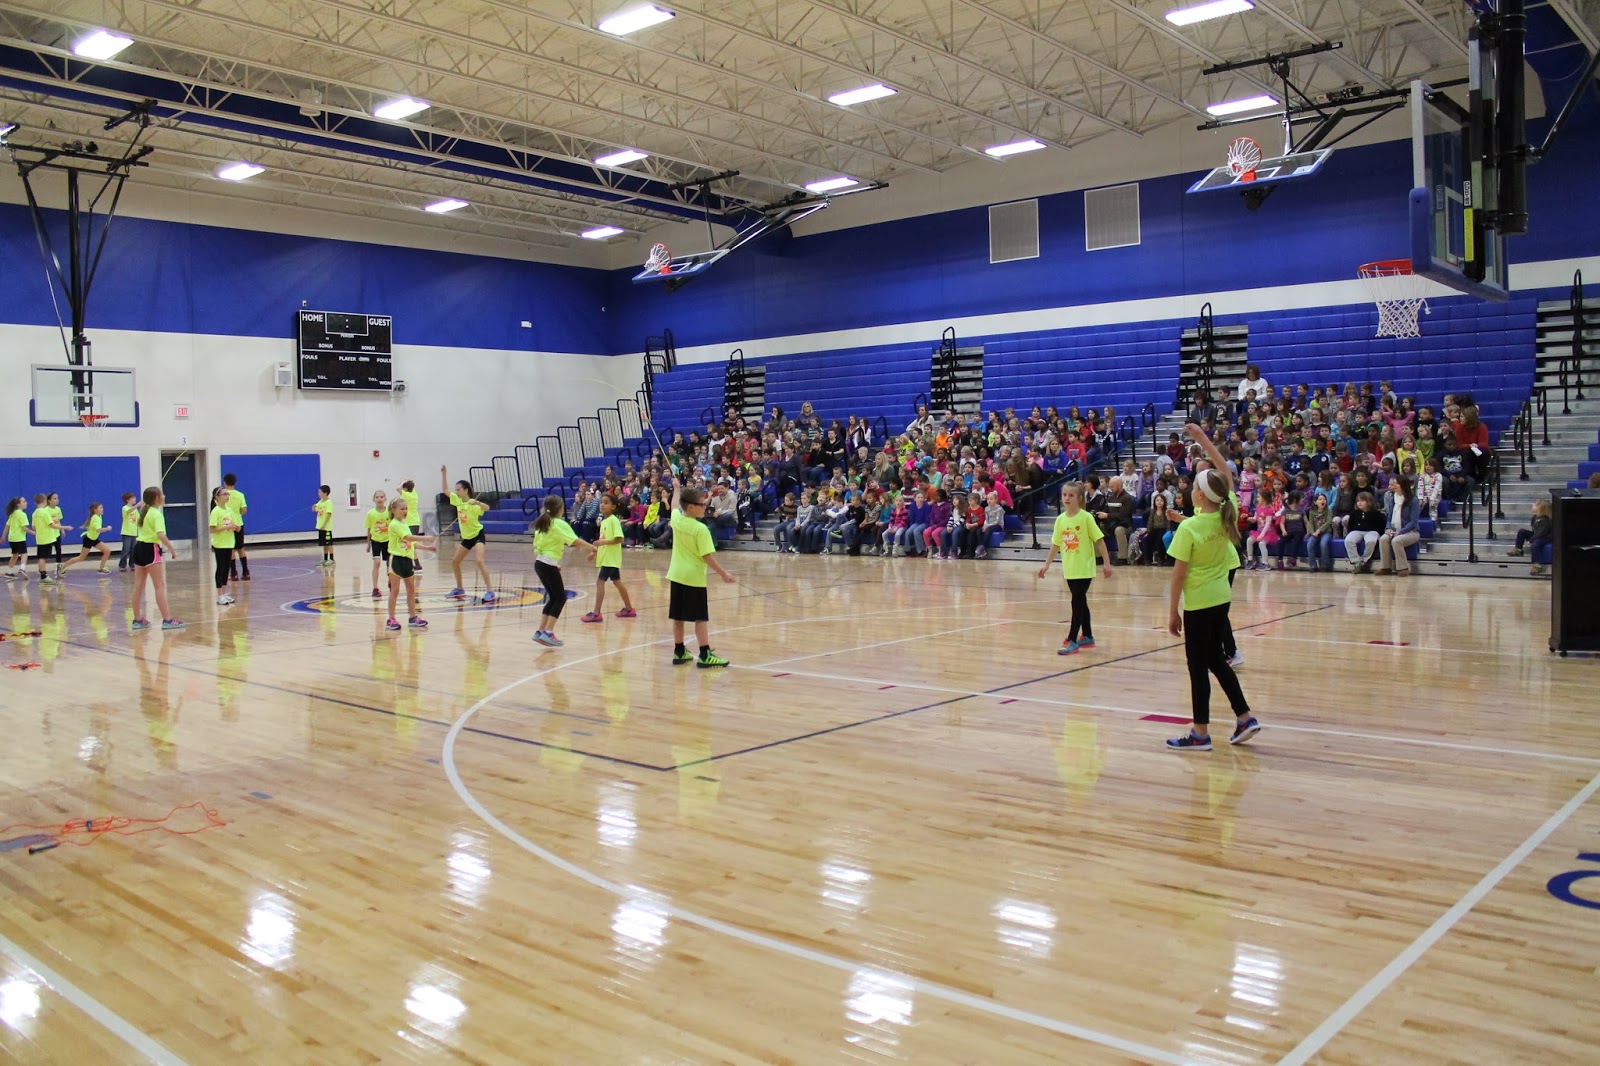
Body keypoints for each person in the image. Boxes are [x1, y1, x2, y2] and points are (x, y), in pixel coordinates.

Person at [1165, 425, 1259, 751]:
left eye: (1194, 485)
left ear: (1200, 495)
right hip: (1221, 597)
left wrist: (1172, 612)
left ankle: (1200, 733)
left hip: (1199, 604)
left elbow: (1178, 576)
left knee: (1198, 667)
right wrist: (1203, 439)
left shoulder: (1191, 527)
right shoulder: (1224, 511)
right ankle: (1244, 716)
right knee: (1217, 660)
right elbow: (1224, 473)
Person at [1036, 482, 1113, 655]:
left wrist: (1107, 563)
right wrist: (1046, 565)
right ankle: (1087, 636)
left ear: (1079, 498)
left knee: (1076, 602)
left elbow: (1099, 541)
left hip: (1084, 568)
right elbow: (1055, 545)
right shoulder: (1060, 520)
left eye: (1071, 495)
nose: (1067, 498)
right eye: (1064, 495)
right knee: (1080, 601)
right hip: (1069, 569)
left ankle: (1072, 639)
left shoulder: (1086, 518)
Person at [667, 481, 735, 667]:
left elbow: (674, 506)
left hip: (676, 575)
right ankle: (705, 655)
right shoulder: (700, 529)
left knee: (678, 616)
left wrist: (677, 489)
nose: (705, 506)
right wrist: (723, 574)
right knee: (700, 618)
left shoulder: (677, 520)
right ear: (690, 507)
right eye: (701, 504)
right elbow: (707, 556)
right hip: (693, 578)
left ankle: (679, 651)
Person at [531, 495, 595, 648]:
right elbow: (574, 541)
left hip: (541, 562)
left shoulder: (543, 523)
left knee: (553, 597)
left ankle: (540, 631)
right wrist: (593, 547)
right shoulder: (559, 523)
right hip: (547, 564)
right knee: (560, 597)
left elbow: (540, 546)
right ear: (560, 509)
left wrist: (553, 563)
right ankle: (548, 632)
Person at [129, 487, 183, 631]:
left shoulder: (144, 512)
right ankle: (167, 620)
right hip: (150, 549)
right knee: (159, 586)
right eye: (161, 494)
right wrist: (171, 549)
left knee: (138, 587)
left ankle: (137, 620)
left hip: (138, 548)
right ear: (157, 498)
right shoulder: (156, 514)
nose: (164, 495)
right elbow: (160, 534)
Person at [442, 467, 495, 603]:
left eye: (459, 489)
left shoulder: (473, 505)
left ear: (466, 490)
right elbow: (445, 491)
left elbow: (487, 508)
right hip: (467, 538)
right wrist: (444, 473)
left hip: (477, 535)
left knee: (479, 561)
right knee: (455, 561)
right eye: (456, 490)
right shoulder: (458, 501)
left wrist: (477, 502)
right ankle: (460, 589)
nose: (456, 492)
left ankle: (490, 591)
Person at [581, 493, 637, 622]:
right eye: (601, 502)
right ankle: (629, 609)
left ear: (613, 506)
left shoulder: (613, 520)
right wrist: (594, 552)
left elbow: (619, 539)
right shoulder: (604, 521)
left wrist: (602, 543)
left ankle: (596, 613)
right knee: (617, 582)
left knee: (600, 582)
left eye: (606, 502)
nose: (602, 505)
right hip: (607, 557)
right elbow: (602, 540)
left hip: (611, 558)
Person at [384, 497, 436, 632]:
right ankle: (391, 619)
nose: (405, 511)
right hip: (396, 561)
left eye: (406, 508)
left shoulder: (404, 524)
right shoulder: (394, 524)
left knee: (411, 590)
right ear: (393, 510)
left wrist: (427, 548)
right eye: (402, 509)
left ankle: (413, 617)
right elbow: (407, 538)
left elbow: (410, 543)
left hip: (407, 561)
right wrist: (426, 538)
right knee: (394, 591)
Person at [1375, 475, 1420, 576]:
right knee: (1383, 539)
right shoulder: (1392, 500)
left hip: (1411, 532)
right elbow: (1389, 518)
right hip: (1395, 530)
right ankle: (1385, 567)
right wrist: (1388, 528)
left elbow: (1413, 521)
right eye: (1393, 483)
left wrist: (1401, 531)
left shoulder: (1413, 500)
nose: (1394, 486)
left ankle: (1403, 568)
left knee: (1396, 541)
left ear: (1403, 485)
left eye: (1396, 483)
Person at [59, 502, 113, 575]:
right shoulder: (95, 518)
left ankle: (101, 568)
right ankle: (61, 567)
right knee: (81, 557)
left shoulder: (99, 516)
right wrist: (107, 528)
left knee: (107, 551)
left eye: (102, 508)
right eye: (100, 508)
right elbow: (98, 530)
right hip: (89, 539)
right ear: (95, 510)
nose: (102, 509)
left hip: (94, 539)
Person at [207, 488, 239, 606]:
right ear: (217, 497)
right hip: (219, 544)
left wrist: (236, 527)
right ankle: (219, 595)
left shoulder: (229, 510)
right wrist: (226, 528)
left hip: (229, 543)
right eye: (224, 494)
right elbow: (211, 529)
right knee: (220, 568)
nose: (227, 496)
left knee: (227, 568)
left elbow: (234, 524)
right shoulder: (216, 511)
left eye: (228, 494)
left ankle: (224, 593)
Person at [31, 492, 71, 583]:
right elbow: (52, 525)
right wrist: (65, 527)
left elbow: (33, 527)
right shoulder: (45, 512)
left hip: (40, 538)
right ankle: (44, 576)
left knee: (41, 557)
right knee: (43, 558)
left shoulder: (34, 513)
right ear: (45, 501)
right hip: (47, 538)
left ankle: (42, 575)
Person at [1343, 491, 1386, 572]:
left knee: (1371, 541)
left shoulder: (1376, 514)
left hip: (1372, 531)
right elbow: (1350, 525)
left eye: (1362, 501)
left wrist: (1379, 535)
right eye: (1358, 501)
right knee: (1348, 540)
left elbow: (1380, 526)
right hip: (1357, 531)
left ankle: (1364, 560)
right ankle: (1356, 561)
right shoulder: (1354, 513)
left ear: (1369, 502)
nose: (1359, 503)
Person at [1509, 498, 1554, 574]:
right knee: (1522, 531)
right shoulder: (1534, 517)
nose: (1533, 505)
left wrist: (1531, 540)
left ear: (1541, 508)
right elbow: (1535, 532)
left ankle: (1536, 565)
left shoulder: (1546, 520)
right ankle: (1518, 550)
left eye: (1535, 504)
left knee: (1535, 545)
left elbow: (1541, 533)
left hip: (1546, 537)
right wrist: (1532, 537)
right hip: (1538, 535)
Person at [223, 472, 250, 581]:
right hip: (239, 524)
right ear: (235, 483)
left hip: (227, 524)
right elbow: (244, 510)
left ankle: (233, 573)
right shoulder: (240, 495)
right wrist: (237, 512)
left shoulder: (222, 495)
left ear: (224, 482)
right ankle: (246, 572)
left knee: (231, 549)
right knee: (240, 548)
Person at [365, 490, 390, 598]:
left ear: (385, 499)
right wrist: (368, 543)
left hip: (388, 540)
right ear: (374, 499)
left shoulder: (389, 512)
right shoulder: (371, 514)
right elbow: (369, 529)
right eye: (377, 497)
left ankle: (391, 582)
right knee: (377, 563)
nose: (379, 499)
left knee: (390, 562)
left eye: (381, 497)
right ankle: (375, 588)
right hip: (376, 540)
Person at [3, 497, 27, 579]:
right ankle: (22, 569)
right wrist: (33, 532)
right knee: (24, 553)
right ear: (18, 504)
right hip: (19, 538)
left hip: (11, 538)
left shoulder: (12, 514)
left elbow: (7, 526)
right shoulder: (22, 514)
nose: (26, 503)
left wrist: (3, 536)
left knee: (15, 555)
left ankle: (9, 573)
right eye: (24, 502)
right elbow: (24, 528)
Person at [117, 491, 139, 572]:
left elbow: (138, 519)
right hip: (126, 532)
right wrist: (138, 505)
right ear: (127, 500)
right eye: (132, 498)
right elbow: (129, 511)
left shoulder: (135, 510)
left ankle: (132, 564)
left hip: (134, 532)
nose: (134, 499)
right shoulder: (125, 508)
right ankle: (122, 565)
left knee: (133, 549)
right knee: (126, 549)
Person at [313, 485, 334, 567]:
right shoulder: (320, 502)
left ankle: (331, 559)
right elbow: (317, 509)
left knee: (329, 543)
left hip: (326, 527)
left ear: (325, 493)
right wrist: (314, 507)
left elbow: (329, 514)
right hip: (320, 527)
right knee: (324, 543)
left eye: (320, 492)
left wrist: (325, 524)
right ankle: (325, 559)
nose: (319, 494)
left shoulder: (329, 502)